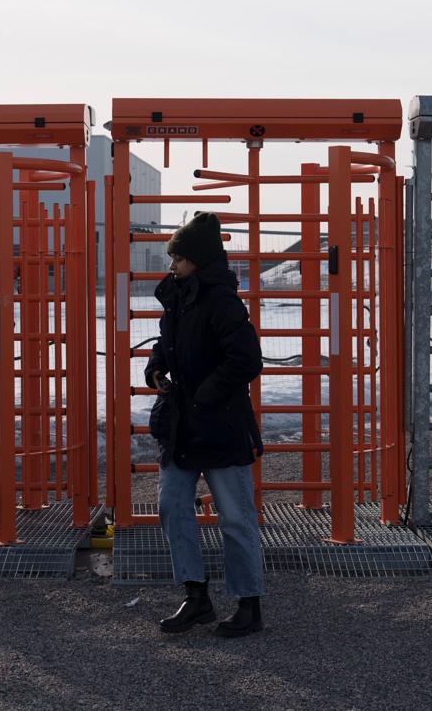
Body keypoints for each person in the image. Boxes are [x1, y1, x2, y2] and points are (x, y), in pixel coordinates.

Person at [144, 212, 266, 637]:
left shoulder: (222, 301)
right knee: (171, 506)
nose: (171, 264)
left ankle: (249, 605)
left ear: (198, 259)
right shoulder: (178, 295)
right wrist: (156, 366)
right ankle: (196, 597)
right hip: (182, 424)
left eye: (178, 257)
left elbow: (247, 359)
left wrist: (204, 394)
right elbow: (167, 344)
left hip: (221, 425)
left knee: (235, 517)